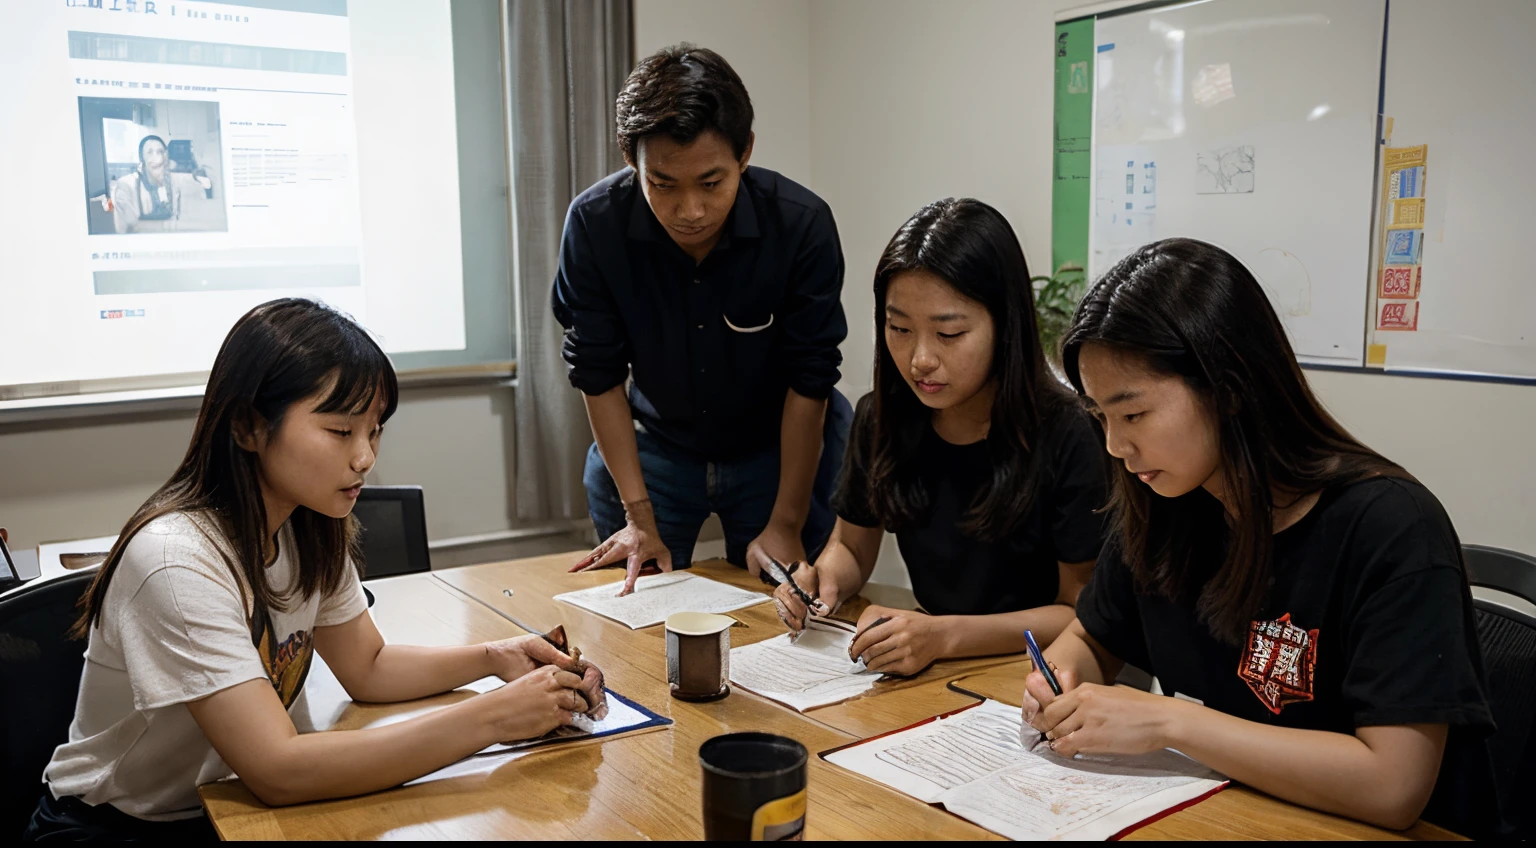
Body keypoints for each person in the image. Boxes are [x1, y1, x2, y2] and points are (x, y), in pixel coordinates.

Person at [26, 299, 605, 840]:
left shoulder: (307, 524)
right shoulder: (177, 562)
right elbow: (278, 770)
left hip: (224, 807)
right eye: (340, 430)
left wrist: (494, 659)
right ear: (250, 426)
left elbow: (369, 667)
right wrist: (494, 718)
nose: (365, 457)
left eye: (375, 429)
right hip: (119, 828)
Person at [1023, 238, 1499, 834]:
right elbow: (1091, 637)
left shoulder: (1390, 527)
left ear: (1228, 390)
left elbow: (1392, 786)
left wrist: (1171, 724)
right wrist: (1061, 679)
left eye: (1134, 414)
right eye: (1101, 417)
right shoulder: (1164, 500)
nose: (1117, 447)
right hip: (1237, 816)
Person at [554, 44, 851, 595]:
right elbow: (596, 374)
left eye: (711, 183)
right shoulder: (595, 225)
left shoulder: (800, 225)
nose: (689, 211)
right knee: (639, 604)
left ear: (745, 154)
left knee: (789, 606)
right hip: (658, 443)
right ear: (630, 158)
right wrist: (639, 516)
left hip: (777, 446)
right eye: (663, 184)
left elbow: (811, 378)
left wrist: (785, 524)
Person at [773, 198, 1109, 676]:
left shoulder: (1071, 433)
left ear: (1004, 325)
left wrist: (944, 634)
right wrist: (820, 582)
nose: (920, 359)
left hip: (1034, 673)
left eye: (948, 334)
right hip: (931, 663)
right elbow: (850, 546)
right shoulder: (881, 416)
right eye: (899, 329)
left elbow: (1080, 612)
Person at [110, 135, 211, 234]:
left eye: (160, 152)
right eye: (150, 152)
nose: (156, 156)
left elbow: (190, 179)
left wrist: (197, 176)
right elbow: (129, 226)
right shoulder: (127, 185)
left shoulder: (172, 179)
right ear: (142, 157)